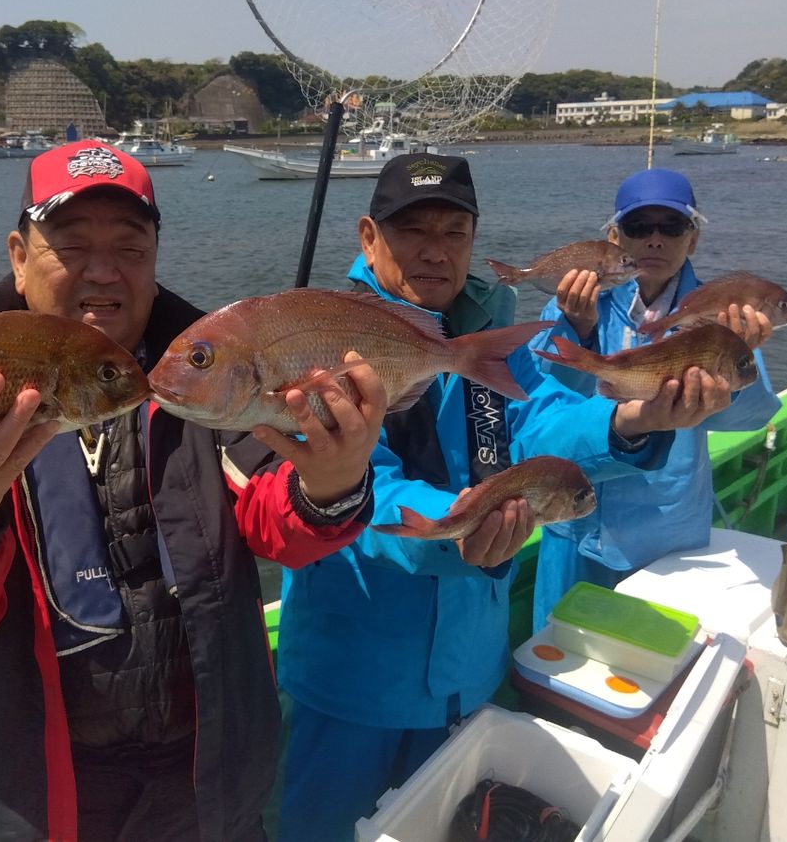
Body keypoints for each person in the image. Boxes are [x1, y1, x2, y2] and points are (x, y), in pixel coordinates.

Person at [0, 140, 390, 842]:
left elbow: (280, 518)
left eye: (131, 247)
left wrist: (334, 479)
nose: (103, 271)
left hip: (205, 786)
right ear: (17, 255)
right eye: (71, 245)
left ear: (156, 258)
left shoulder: (200, 381)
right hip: (34, 796)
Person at [274, 154, 709, 842]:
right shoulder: (334, 337)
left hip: (470, 674)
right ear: (368, 238)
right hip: (353, 681)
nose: (436, 251)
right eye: (413, 231)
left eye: (455, 232)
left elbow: (544, 421)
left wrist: (633, 420)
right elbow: (357, 489)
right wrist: (459, 527)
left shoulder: (485, 332)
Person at [530, 167, 782, 631]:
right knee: (564, 660)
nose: (655, 240)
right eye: (638, 227)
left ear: (694, 238)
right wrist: (575, 329)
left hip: (666, 535)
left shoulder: (718, 315)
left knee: (660, 663)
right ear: (614, 236)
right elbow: (541, 410)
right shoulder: (574, 305)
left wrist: (743, 353)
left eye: (672, 227)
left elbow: (747, 418)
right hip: (575, 522)